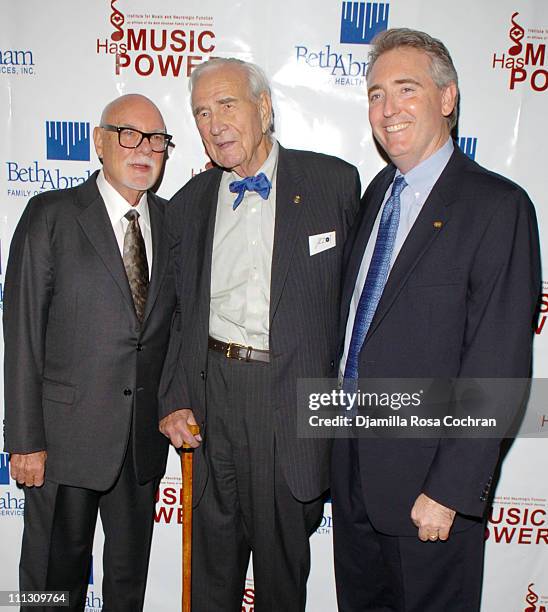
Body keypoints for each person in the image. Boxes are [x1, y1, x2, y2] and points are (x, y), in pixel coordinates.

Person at [331, 28, 540, 612]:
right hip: (352, 476)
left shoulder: (498, 207)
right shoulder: (377, 195)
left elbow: (498, 365)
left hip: (429, 491)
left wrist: (450, 490)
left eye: (405, 89)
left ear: (447, 98)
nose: (387, 109)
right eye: (375, 94)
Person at [158, 57, 360, 611]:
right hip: (211, 396)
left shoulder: (334, 184)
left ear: (264, 108)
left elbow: (360, 302)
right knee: (209, 578)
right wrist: (174, 397)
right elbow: (179, 313)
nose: (214, 122)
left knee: (280, 580)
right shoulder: (189, 204)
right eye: (201, 112)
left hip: (288, 399)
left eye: (227, 105)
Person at [4, 93, 176, 611]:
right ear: (99, 142)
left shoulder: (173, 224)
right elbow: (22, 333)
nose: (144, 149)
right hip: (63, 440)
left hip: (140, 443)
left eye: (157, 141)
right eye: (129, 134)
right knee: (52, 584)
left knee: (128, 583)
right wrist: (25, 439)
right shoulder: (51, 215)